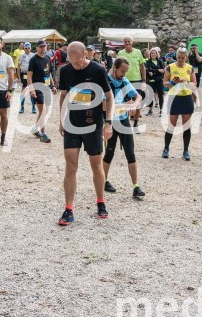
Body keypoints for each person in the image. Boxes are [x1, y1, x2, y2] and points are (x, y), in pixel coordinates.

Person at [57, 42, 115, 226]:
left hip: (93, 124)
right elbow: (64, 96)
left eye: (78, 62)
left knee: (96, 165)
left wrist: (109, 123)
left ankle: (100, 202)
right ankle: (68, 208)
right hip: (72, 124)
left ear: (85, 55)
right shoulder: (66, 70)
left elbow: (110, 96)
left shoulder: (98, 70)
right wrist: (61, 119)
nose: (76, 66)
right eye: (72, 62)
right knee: (70, 165)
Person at [103, 57, 145, 199]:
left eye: (126, 72)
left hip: (123, 121)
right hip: (109, 123)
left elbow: (138, 96)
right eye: (122, 71)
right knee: (109, 153)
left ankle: (136, 186)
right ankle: (104, 181)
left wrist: (134, 105)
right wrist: (128, 106)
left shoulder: (124, 81)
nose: (124, 74)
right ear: (114, 67)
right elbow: (104, 106)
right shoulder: (106, 81)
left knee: (130, 153)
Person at [162, 48, 199, 160]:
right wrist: (173, 82)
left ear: (186, 58)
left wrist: (186, 83)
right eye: (178, 57)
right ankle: (166, 148)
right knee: (171, 125)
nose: (180, 60)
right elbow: (165, 83)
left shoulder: (190, 68)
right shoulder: (170, 67)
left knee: (186, 126)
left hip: (186, 98)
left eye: (183, 58)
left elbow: (194, 83)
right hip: (174, 98)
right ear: (176, 56)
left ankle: (186, 150)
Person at [27, 40, 56, 143]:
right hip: (37, 88)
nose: (43, 48)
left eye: (45, 46)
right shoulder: (33, 60)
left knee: (44, 111)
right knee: (43, 111)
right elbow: (29, 75)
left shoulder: (47, 58)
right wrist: (32, 90)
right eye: (41, 46)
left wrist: (53, 85)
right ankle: (43, 134)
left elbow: (49, 73)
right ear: (37, 48)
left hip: (46, 87)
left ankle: (35, 129)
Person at [117, 37, 146, 129]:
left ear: (132, 42)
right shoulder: (120, 53)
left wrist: (144, 80)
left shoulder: (138, 52)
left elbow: (142, 67)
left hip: (137, 80)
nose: (127, 43)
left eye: (129, 41)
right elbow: (117, 67)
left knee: (137, 101)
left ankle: (136, 123)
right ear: (123, 43)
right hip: (124, 80)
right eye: (125, 41)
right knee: (125, 101)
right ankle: (126, 122)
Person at [145, 47, 166, 116]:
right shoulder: (147, 62)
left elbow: (163, 70)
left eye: (154, 53)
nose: (153, 54)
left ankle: (161, 110)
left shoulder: (160, 61)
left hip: (159, 80)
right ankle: (150, 110)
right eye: (152, 53)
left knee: (160, 95)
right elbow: (148, 71)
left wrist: (153, 70)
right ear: (150, 54)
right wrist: (157, 70)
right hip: (150, 81)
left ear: (157, 54)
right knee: (150, 95)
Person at [17, 42, 36, 114]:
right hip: (24, 74)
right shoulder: (21, 56)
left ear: (30, 48)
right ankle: (22, 107)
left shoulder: (33, 55)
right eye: (26, 48)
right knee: (23, 90)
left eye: (28, 48)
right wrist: (18, 77)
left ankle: (34, 107)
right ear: (24, 48)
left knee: (32, 90)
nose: (27, 49)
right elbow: (18, 67)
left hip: (32, 74)